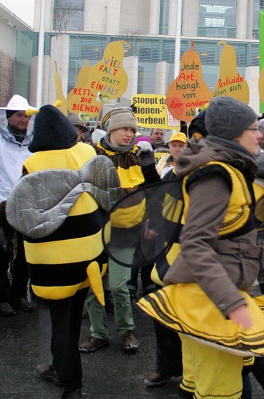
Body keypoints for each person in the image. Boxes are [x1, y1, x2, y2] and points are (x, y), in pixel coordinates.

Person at [0, 105, 120, 399]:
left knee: (62, 322)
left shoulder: (36, 165)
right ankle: (60, 367)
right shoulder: (88, 155)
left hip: (56, 263)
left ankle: (70, 384)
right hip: (90, 257)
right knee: (70, 316)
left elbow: (10, 209)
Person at [137, 97, 264, 399]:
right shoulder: (216, 175)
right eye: (253, 128)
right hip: (210, 299)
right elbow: (195, 245)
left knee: (202, 383)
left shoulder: (227, 169)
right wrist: (231, 302)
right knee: (221, 389)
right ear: (234, 135)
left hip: (209, 294)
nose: (259, 135)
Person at [79, 107, 159, 353]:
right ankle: (98, 333)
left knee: (118, 285)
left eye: (132, 130)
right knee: (93, 285)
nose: (129, 134)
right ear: (112, 130)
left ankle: (126, 331)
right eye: (125, 129)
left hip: (128, 230)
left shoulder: (142, 155)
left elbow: (154, 191)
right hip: (97, 229)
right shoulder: (94, 154)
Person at [0, 94, 36, 317]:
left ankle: (19, 294)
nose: (23, 120)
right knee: (2, 253)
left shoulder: (33, 142)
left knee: (25, 253)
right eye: (19, 115)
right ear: (9, 117)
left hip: (27, 204)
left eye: (26, 115)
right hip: (2, 204)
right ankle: (0, 298)